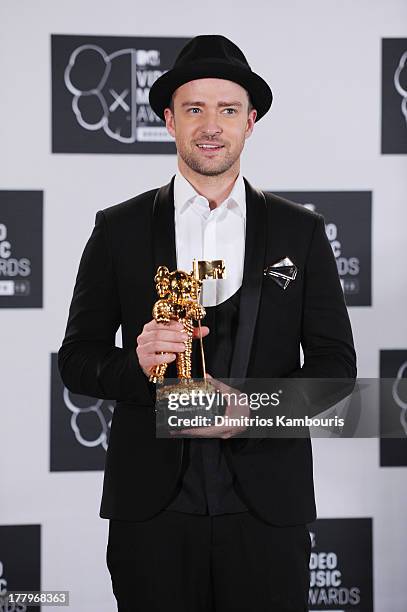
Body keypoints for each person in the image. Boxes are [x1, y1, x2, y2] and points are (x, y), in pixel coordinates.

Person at [58, 34, 356, 612]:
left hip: (267, 509)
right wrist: (136, 363)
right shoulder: (117, 229)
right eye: (195, 109)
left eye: (228, 110)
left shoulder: (301, 232)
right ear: (170, 121)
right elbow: (78, 359)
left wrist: (255, 408)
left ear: (251, 123)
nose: (211, 125)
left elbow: (336, 373)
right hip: (152, 512)